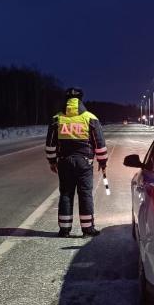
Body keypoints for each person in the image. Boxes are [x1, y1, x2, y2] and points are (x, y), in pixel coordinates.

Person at [45, 87, 108, 237]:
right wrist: (102, 161)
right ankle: (87, 229)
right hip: (84, 162)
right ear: (81, 99)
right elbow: (99, 142)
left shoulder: (57, 118)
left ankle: (64, 230)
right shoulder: (90, 118)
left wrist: (52, 161)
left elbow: (50, 143)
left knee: (66, 194)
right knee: (85, 194)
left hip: (64, 162)